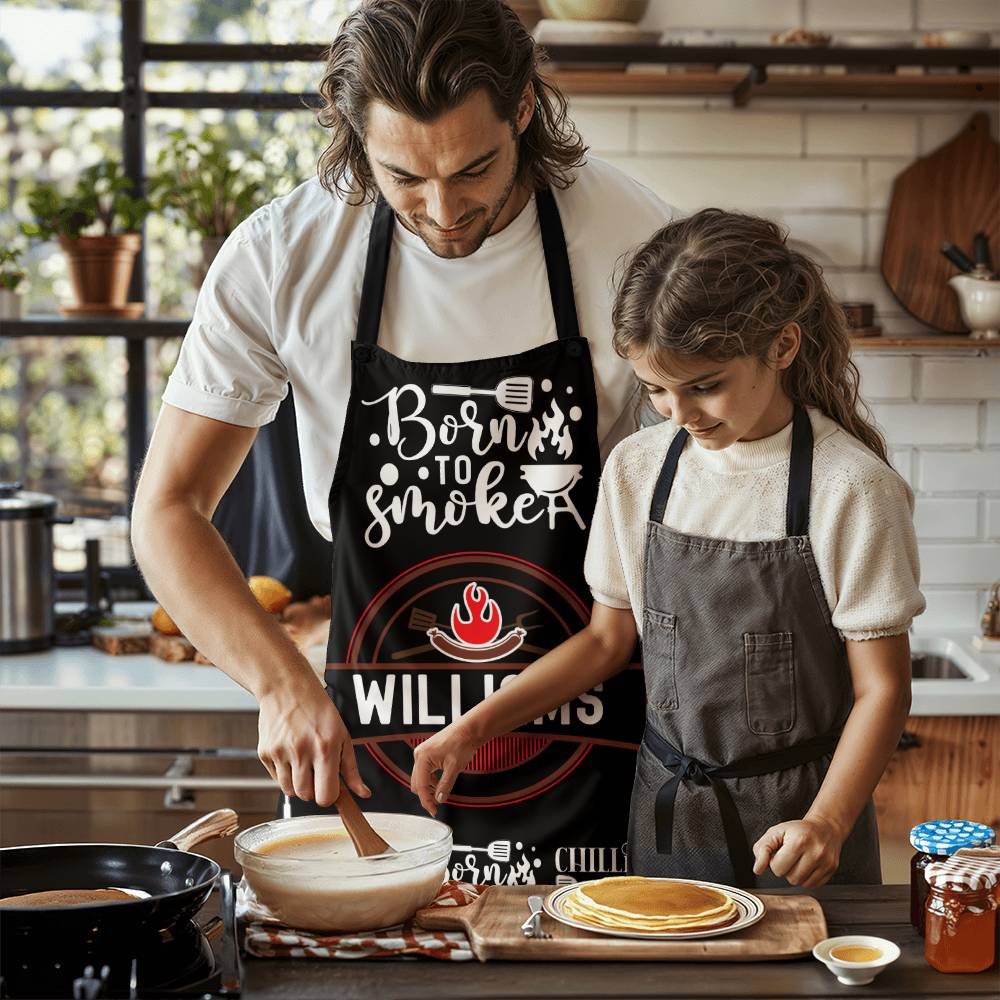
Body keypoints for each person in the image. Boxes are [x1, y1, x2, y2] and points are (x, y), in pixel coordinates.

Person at [131, 0, 676, 885]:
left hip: (586, 745)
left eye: (474, 170)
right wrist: (278, 685)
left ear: (526, 110)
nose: (444, 209)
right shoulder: (283, 256)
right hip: (361, 750)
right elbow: (166, 511)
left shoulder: (634, 241)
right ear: (354, 136)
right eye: (403, 178)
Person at [410, 208, 925, 888]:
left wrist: (826, 823)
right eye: (655, 389)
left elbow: (883, 689)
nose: (677, 414)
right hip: (667, 820)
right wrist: (474, 726)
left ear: (782, 346)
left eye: (704, 385)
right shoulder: (639, 468)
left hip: (798, 831)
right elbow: (603, 643)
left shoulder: (852, 487)